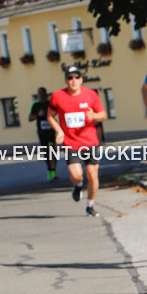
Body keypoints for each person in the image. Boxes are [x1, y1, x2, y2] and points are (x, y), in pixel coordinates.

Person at [47, 66, 107, 217]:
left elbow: (103, 115)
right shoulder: (57, 96)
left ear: (81, 79)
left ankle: (90, 206)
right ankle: (78, 185)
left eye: (76, 77)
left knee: (93, 175)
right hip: (71, 143)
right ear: (66, 80)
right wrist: (59, 131)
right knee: (77, 175)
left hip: (90, 142)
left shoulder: (91, 95)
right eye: (70, 77)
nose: (73, 81)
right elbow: (49, 115)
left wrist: (93, 116)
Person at [28, 87, 57, 180]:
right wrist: (37, 115)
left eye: (43, 93)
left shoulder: (50, 103)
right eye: (39, 94)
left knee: (52, 149)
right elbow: (30, 118)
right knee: (46, 152)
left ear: (46, 94)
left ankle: (53, 170)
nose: (41, 95)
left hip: (51, 130)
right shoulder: (35, 105)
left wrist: (51, 114)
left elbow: (56, 112)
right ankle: (49, 170)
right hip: (41, 132)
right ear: (38, 95)